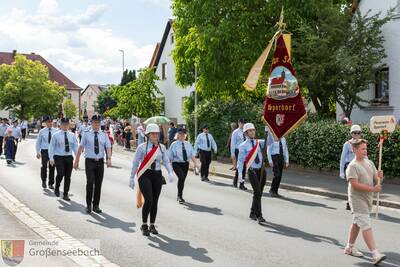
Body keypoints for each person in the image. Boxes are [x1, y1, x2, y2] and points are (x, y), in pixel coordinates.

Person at [344, 139, 386, 265]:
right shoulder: (352, 166)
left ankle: (349, 247)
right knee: (366, 224)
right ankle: (375, 253)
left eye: (365, 148)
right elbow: (355, 185)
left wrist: (380, 177)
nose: (365, 151)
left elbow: (377, 180)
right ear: (354, 150)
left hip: (367, 198)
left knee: (357, 222)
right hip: (357, 199)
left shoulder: (370, 163)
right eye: (362, 149)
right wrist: (374, 188)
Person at [129, 123, 175, 236]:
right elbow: (135, 163)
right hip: (145, 174)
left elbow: (166, 161)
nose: (155, 136)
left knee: (155, 201)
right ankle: (144, 224)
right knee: (149, 199)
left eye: (156, 134)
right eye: (152, 134)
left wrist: (170, 172)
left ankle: (152, 224)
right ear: (148, 135)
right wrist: (131, 177)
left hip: (157, 175)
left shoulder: (162, 147)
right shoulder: (142, 147)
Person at [74, 115, 112, 214]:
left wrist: (109, 158)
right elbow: (81, 147)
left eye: (98, 123)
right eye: (95, 122)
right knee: (90, 182)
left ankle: (96, 205)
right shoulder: (86, 134)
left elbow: (108, 147)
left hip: (99, 161)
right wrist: (76, 161)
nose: (97, 124)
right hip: (89, 161)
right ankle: (88, 205)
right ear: (91, 123)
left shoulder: (104, 134)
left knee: (98, 184)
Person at [237, 123, 269, 224]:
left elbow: (271, 142)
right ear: (246, 133)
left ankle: (252, 212)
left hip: (262, 171)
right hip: (252, 171)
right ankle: (259, 215)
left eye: (253, 130)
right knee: (258, 193)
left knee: (258, 194)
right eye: (250, 131)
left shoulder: (258, 142)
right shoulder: (242, 146)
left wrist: (269, 131)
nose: (252, 132)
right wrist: (240, 175)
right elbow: (240, 162)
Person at [49, 118, 78, 201]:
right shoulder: (56, 135)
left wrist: (77, 158)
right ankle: (57, 187)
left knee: (68, 177)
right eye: (63, 124)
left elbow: (75, 147)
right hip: (59, 157)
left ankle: (65, 194)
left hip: (69, 157)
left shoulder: (72, 135)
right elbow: (51, 147)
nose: (65, 126)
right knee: (60, 173)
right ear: (60, 125)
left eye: (66, 124)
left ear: (68, 125)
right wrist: (51, 158)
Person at [168, 128, 198, 204]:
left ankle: (179, 195)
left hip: (185, 164)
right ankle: (179, 196)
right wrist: (169, 170)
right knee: (181, 177)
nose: (182, 136)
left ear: (185, 135)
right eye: (180, 134)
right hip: (176, 163)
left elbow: (192, 155)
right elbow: (170, 157)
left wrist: (196, 165)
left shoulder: (188, 144)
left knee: (182, 180)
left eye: (183, 134)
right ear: (177, 135)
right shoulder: (174, 144)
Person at [340, 124, 364, 210]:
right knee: (352, 185)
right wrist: (341, 171)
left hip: (360, 166)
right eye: (355, 133)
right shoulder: (347, 144)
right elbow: (342, 158)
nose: (357, 135)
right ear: (351, 134)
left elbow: (365, 156)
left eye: (358, 133)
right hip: (350, 166)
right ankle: (350, 202)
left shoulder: (362, 144)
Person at [35, 116, 56, 189]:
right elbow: (38, 142)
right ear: (45, 123)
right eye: (48, 122)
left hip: (53, 151)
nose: (50, 123)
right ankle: (43, 181)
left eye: (51, 122)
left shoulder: (56, 131)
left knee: (52, 166)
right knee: (44, 166)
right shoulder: (42, 131)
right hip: (44, 150)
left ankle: (51, 183)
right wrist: (38, 152)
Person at [230, 118, 247, 190]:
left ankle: (237, 181)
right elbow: (233, 143)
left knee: (244, 168)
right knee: (240, 167)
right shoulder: (235, 132)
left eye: (244, 123)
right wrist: (232, 153)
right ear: (239, 123)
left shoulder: (246, 132)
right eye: (241, 123)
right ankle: (240, 183)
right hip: (238, 150)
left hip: (245, 151)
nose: (243, 124)